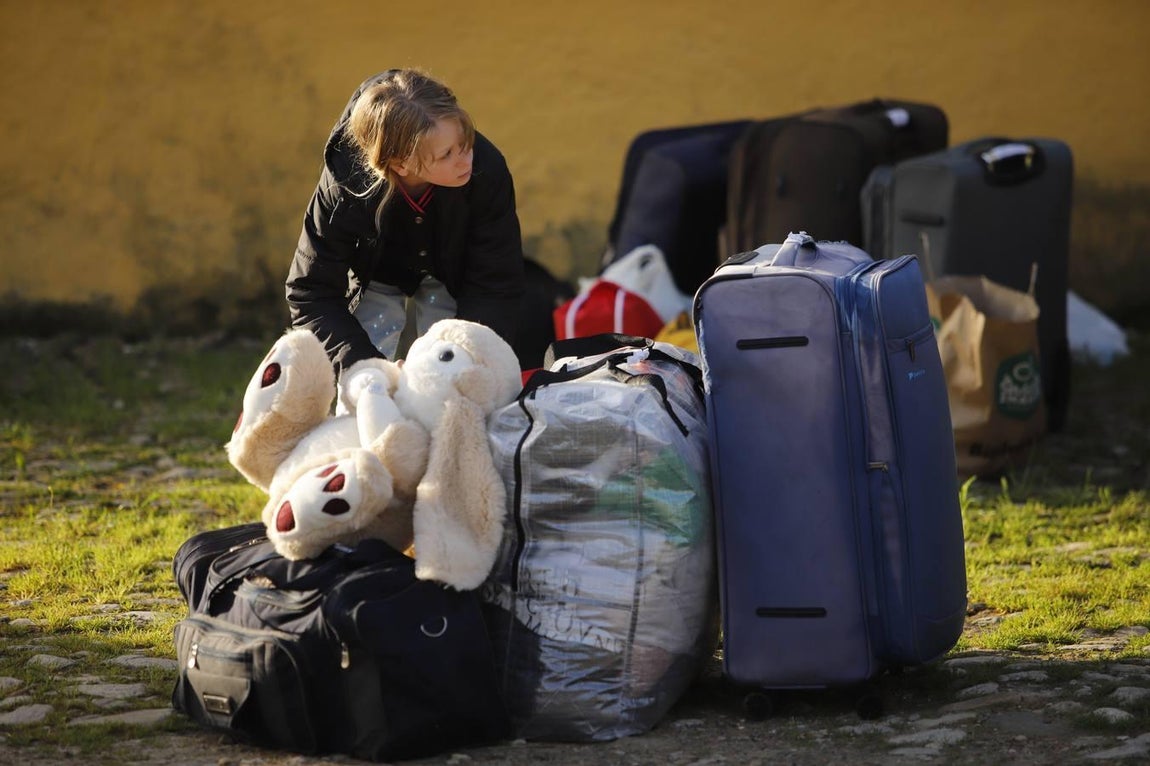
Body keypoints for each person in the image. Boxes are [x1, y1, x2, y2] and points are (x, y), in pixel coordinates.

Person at [285, 69, 525, 375]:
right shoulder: (345, 182)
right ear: (400, 163)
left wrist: (468, 362)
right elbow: (311, 292)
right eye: (447, 154)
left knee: (452, 374)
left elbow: (496, 284)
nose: (466, 159)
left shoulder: (486, 170)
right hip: (375, 275)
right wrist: (365, 370)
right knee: (363, 383)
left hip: (453, 276)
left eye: (465, 141)